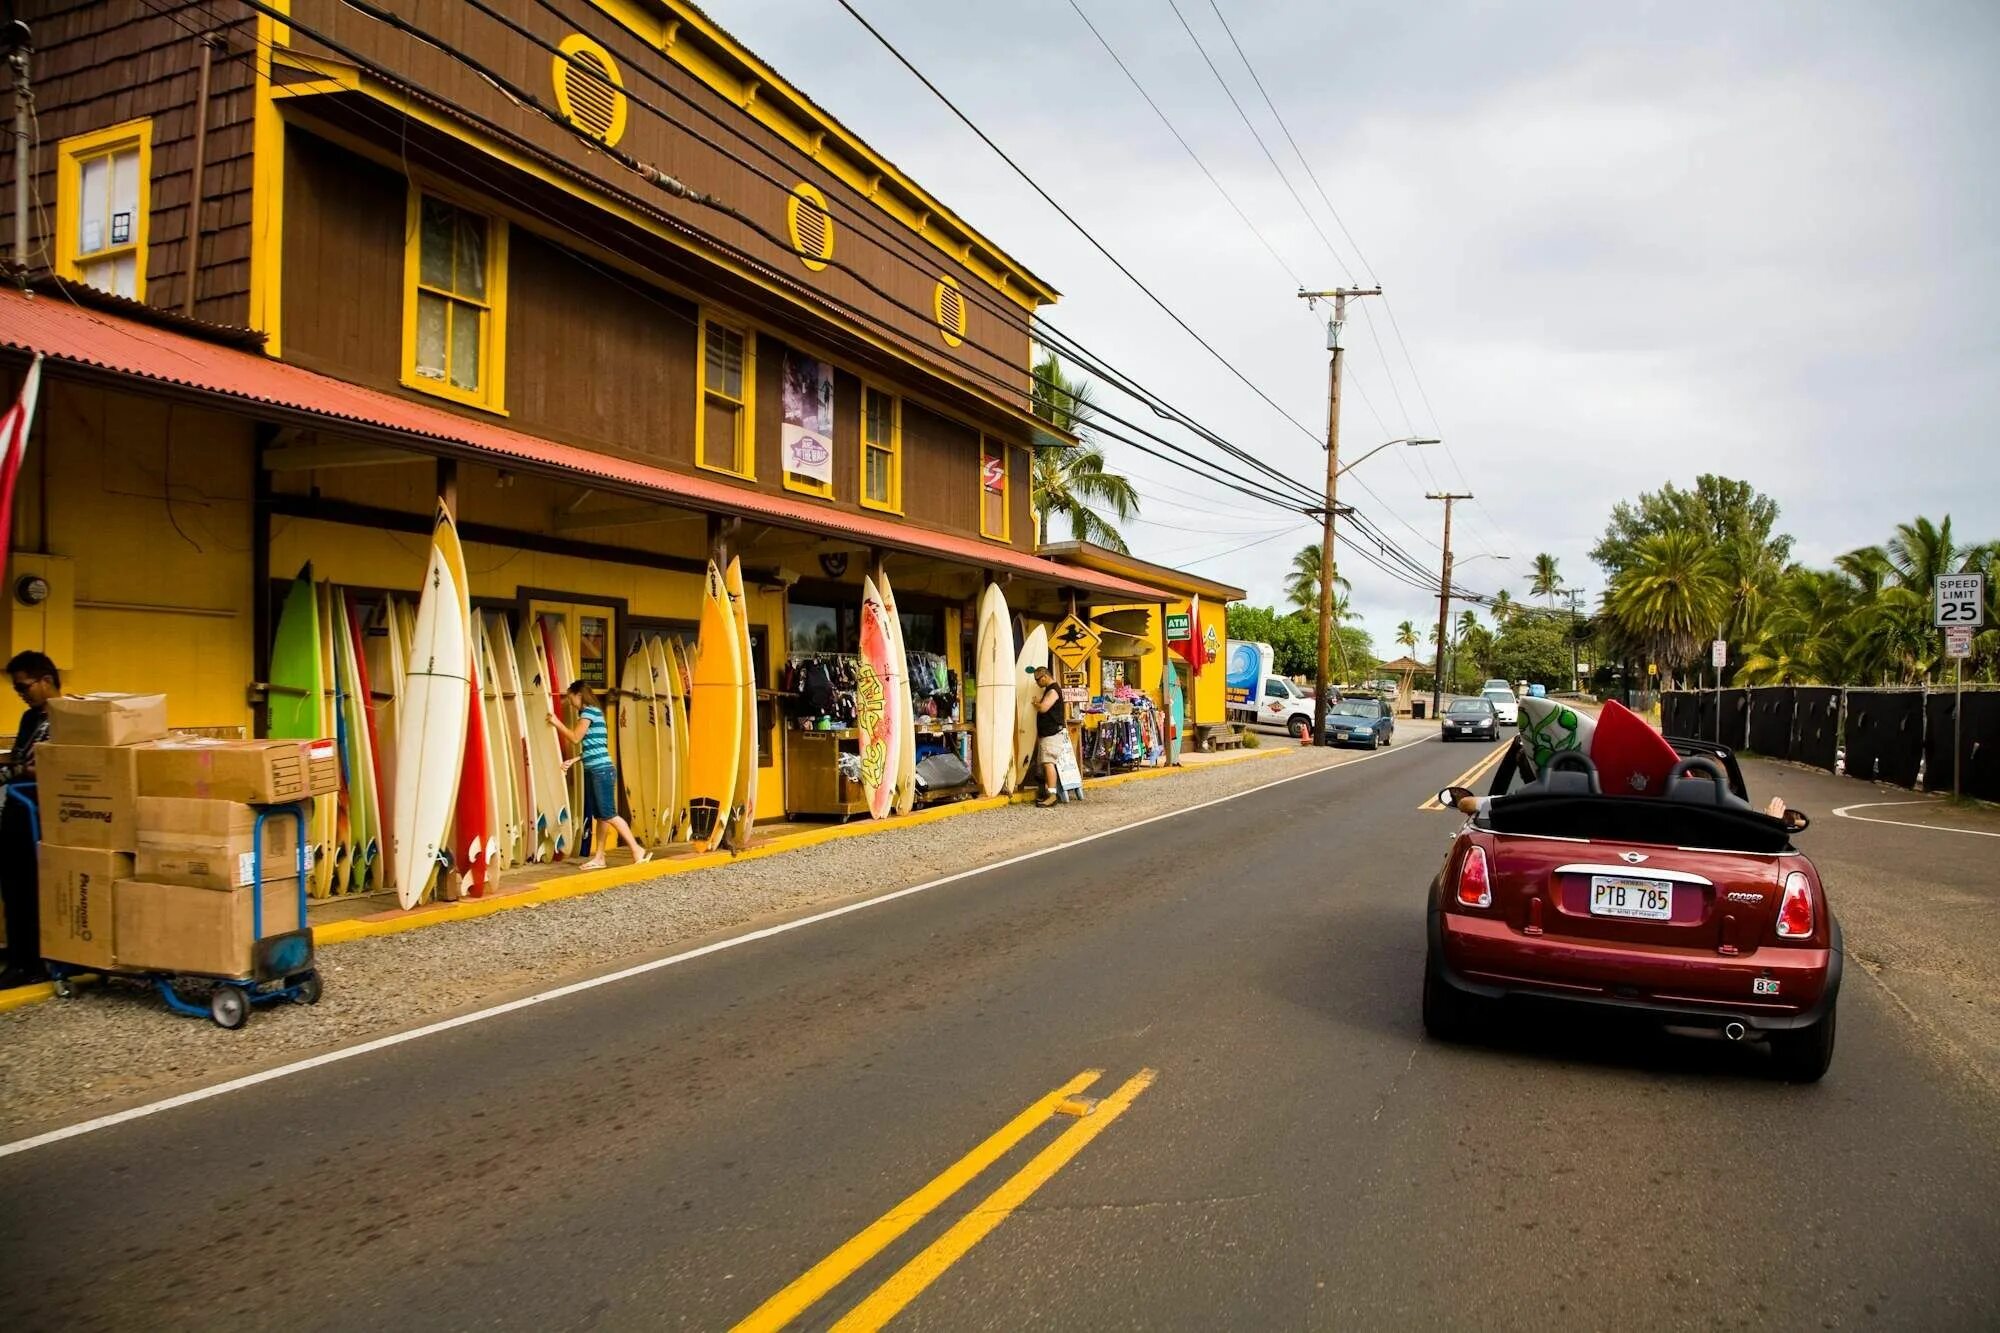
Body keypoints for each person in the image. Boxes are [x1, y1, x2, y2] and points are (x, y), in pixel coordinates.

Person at [546, 681, 650, 871]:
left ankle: (637, 849)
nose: (570, 703)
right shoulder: (596, 712)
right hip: (599, 769)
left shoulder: (588, 713)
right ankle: (600, 857)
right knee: (601, 816)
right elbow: (596, 746)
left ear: (579, 695)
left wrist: (556, 722)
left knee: (609, 813)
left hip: (600, 771)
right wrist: (575, 760)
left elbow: (575, 738)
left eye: (571, 698)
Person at [1, 651, 59, 987]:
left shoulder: (68, 717)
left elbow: (52, 766)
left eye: (25, 686)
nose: (22, 693)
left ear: (46, 680)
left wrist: (19, 769)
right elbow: (23, 757)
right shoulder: (29, 718)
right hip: (17, 805)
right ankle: (20, 955)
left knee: (28, 884)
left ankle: (32, 961)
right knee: (12, 883)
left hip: (39, 810)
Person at [1028, 663, 1065, 808]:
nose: (1037, 683)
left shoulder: (1053, 691)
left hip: (1052, 733)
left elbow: (1044, 708)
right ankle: (1048, 793)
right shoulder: (1051, 690)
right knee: (1046, 763)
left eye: (1038, 680)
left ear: (1045, 676)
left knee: (1049, 763)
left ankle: (1052, 795)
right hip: (1048, 733)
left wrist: (1036, 703)